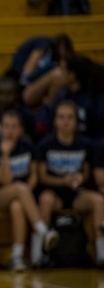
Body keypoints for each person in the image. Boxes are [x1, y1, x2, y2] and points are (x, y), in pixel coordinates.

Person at [0, 110, 58, 272]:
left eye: (14, 127)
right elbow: (6, 181)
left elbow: (33, 176)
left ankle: (17, 256)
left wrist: (26, 193)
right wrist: (5, 155)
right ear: (0, 129)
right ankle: (43, 231)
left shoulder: (28, 147)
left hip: (22, 194)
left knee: (18, 206)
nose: (9, 131)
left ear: (20, 130)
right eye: (6, 127)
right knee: (19, 188)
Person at [36, 101, 104, 267]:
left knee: (98, 201)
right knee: (45, 200)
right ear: (55, 121)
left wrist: (80, 178)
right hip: (55, 191)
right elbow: (42, 176)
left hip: (76, 193)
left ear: (76, 122)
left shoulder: (85, 144)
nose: (65, 121)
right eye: (61, 117)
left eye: (69, 118)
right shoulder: (46, 144)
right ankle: (38, 255)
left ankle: (101, 254)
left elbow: (87, 172)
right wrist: (62, 181)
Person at [50, 55, 104, 140]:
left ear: (72, 75)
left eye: (62, 69)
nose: (59, 73)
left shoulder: (95, 98)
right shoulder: (62, 95)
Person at [0, 77, 36, 145]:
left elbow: (30, 140)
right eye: (1, 93)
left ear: (16, 95)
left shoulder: (26, 116)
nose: (4, 97)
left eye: (9, 94)